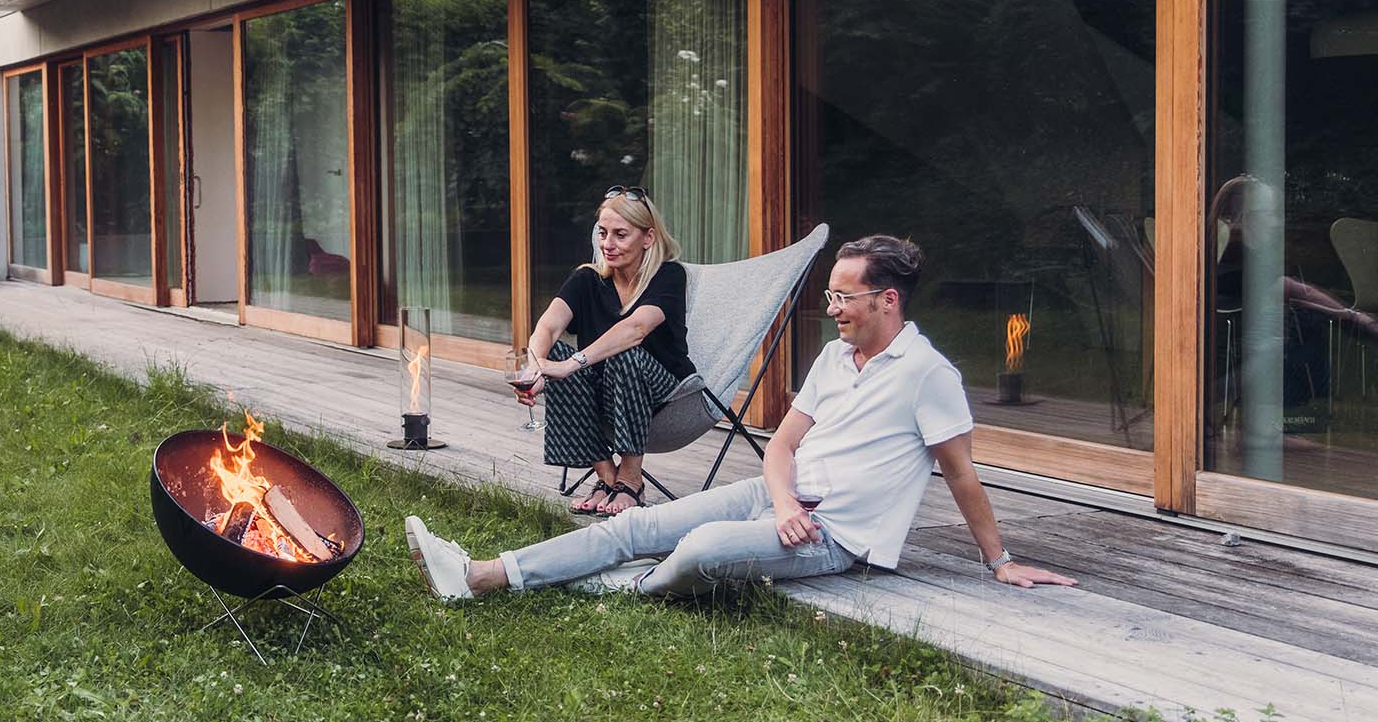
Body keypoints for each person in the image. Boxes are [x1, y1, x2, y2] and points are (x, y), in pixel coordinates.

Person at [406, 234, 1077, 600]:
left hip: (834, 535)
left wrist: (1001, 563)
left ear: (888, 300)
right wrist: (779, 501)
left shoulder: (929, 375)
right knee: (637, 524)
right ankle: (479, 574)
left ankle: (615, 589)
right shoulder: (836, 358)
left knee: (697, 549)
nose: (834, 307)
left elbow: (961, 475)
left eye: (845, 296)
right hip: (777, 499)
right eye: (830, 294)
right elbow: (781, 447)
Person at [522, 187, 696, 517]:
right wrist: (536, 368)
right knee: (555, 355)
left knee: (622, 354)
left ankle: (631, 478)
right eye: (603, 233)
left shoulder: (669, 276)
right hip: (606, 394)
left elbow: (635, 330)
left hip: (667, 393)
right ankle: (607, 476)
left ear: (648, 237)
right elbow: (547, 327)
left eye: (620, 234)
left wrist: (570, 365)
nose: (607, 244)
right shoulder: (587, 278)